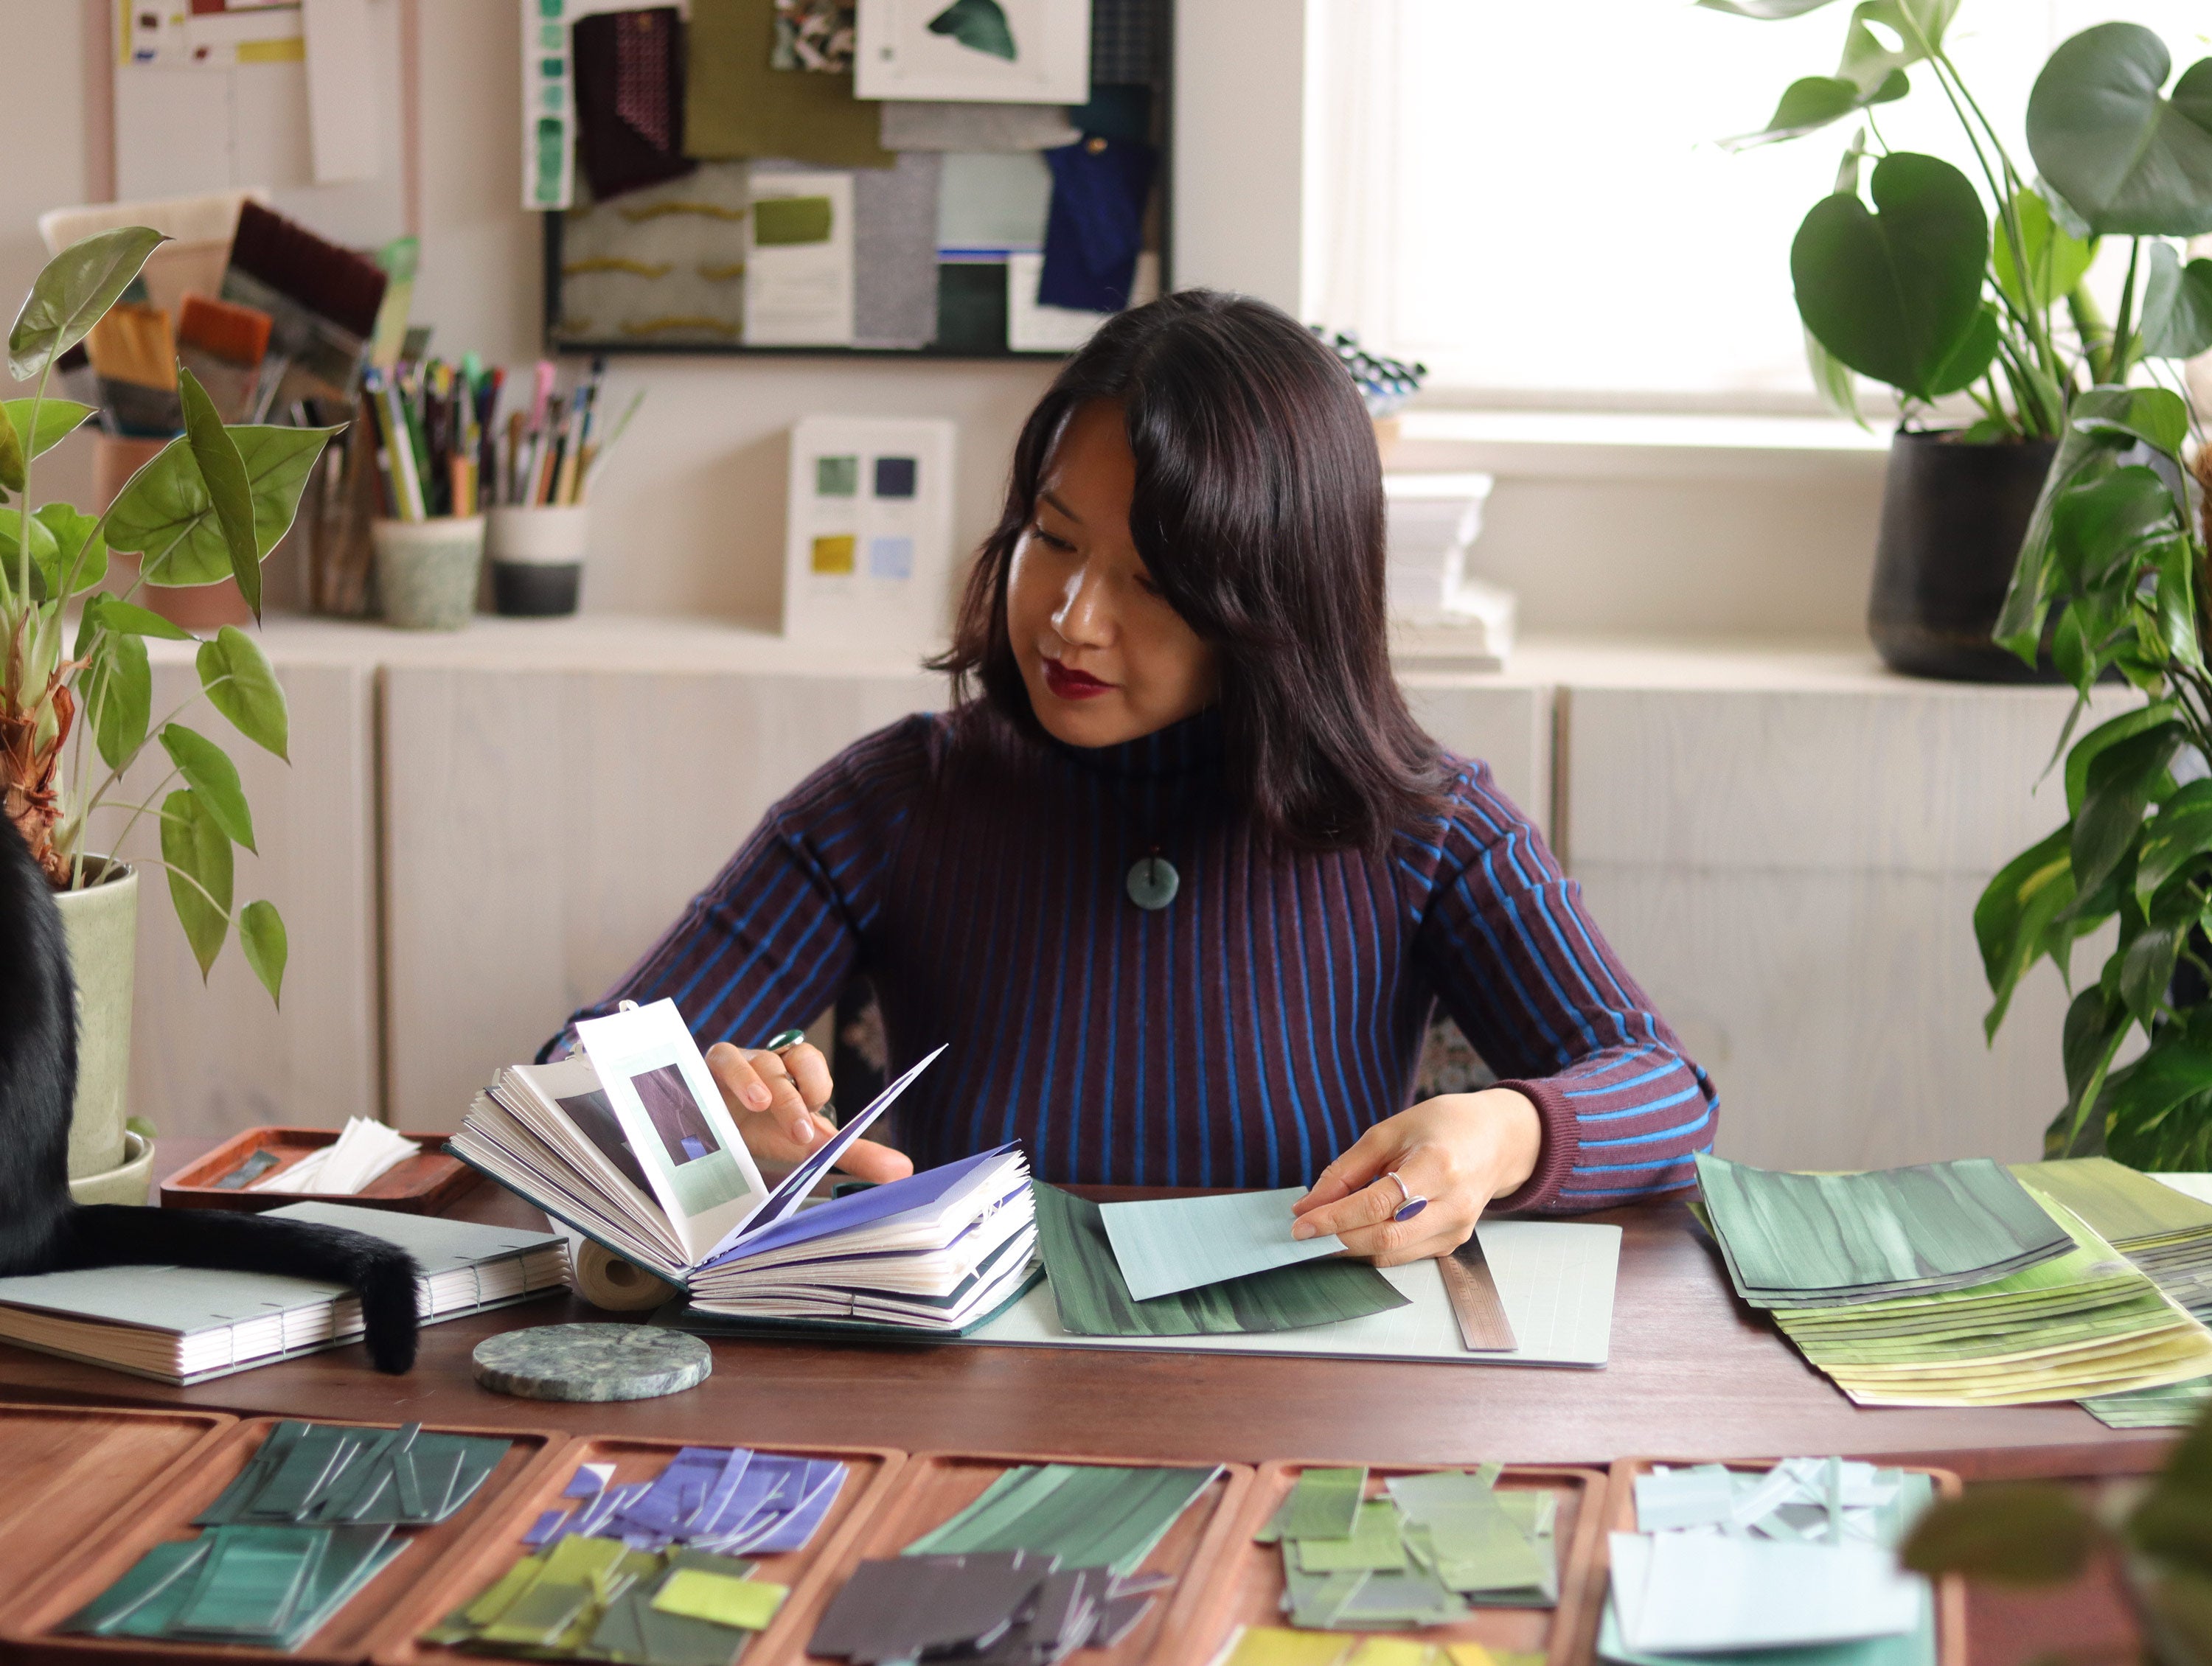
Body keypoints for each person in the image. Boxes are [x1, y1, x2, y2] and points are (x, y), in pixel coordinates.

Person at [549, 290, 1717, 1266]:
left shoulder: (1426, 823)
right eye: (1051, 540)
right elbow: (579, 1074)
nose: (1070, 618)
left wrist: (1505, 1131)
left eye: (1153, 584)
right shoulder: (899, 796)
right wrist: (714, 1125)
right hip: (976, 1394)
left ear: (1278, 607)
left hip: (1302, 1409)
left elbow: (1666, 1095)